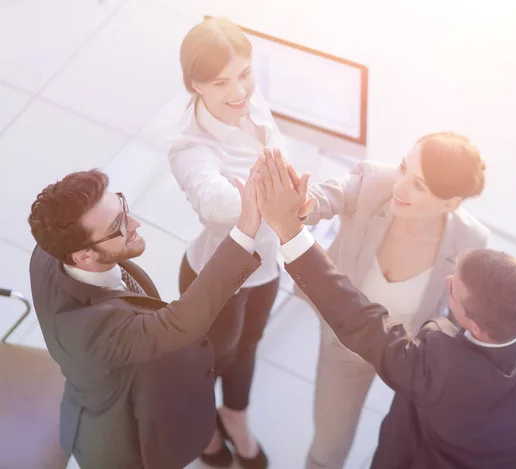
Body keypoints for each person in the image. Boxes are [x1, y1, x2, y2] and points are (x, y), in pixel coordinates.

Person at [251, 148, 516, 469]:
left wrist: (289, 233)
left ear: (476, 327)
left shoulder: (434, 364)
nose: (446, 284)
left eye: (454, 295)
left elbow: (355, 316)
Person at [27, 167, 264, 469]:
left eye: (122, 205)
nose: (134, 223)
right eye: (118, 225)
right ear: (83, 256)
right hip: (132, 442)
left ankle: (210, 438)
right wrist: (246, 229)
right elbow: (179, 322)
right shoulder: (95, 331)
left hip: (129, 385)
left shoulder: (51, 247)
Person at [299, 132, 490, 468]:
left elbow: (462, 315)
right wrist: (296, 204)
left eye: (418, 185)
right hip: (346, 344)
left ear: (450, 203)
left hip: (411, 357)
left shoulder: (469, 240)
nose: (399, 187)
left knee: (408, 450)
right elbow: (323, 198)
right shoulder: (374, 181)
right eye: (403, 168)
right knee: (328, 446)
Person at [169, 17, 309, 468]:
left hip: (265, 266)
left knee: (247, 345)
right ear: (195, 85)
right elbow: (215, 201)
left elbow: (274, 161)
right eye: (222, 81)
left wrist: (260, 188)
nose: (240, 91)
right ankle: (202, 425)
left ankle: (235, 415)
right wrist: (269, 195)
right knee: (211, 358)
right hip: (218, 273)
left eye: (245, 73)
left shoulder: (247, 99)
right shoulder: (190, 146)